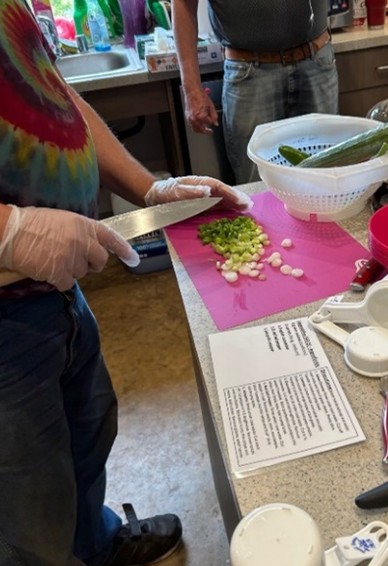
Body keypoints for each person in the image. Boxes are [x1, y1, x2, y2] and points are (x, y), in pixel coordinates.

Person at [0, 1, 251, 564]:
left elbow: (54, 95)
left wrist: (150, 188)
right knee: (26, 508)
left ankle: (95, 543)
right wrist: (8, 231)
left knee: (88, 435)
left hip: (55, 290)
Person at [172, 0, 339, 185]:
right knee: (257, 183)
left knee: (325, 177)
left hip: (316, 60)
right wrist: (191, 89)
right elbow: (183, 4)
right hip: (249, 70)